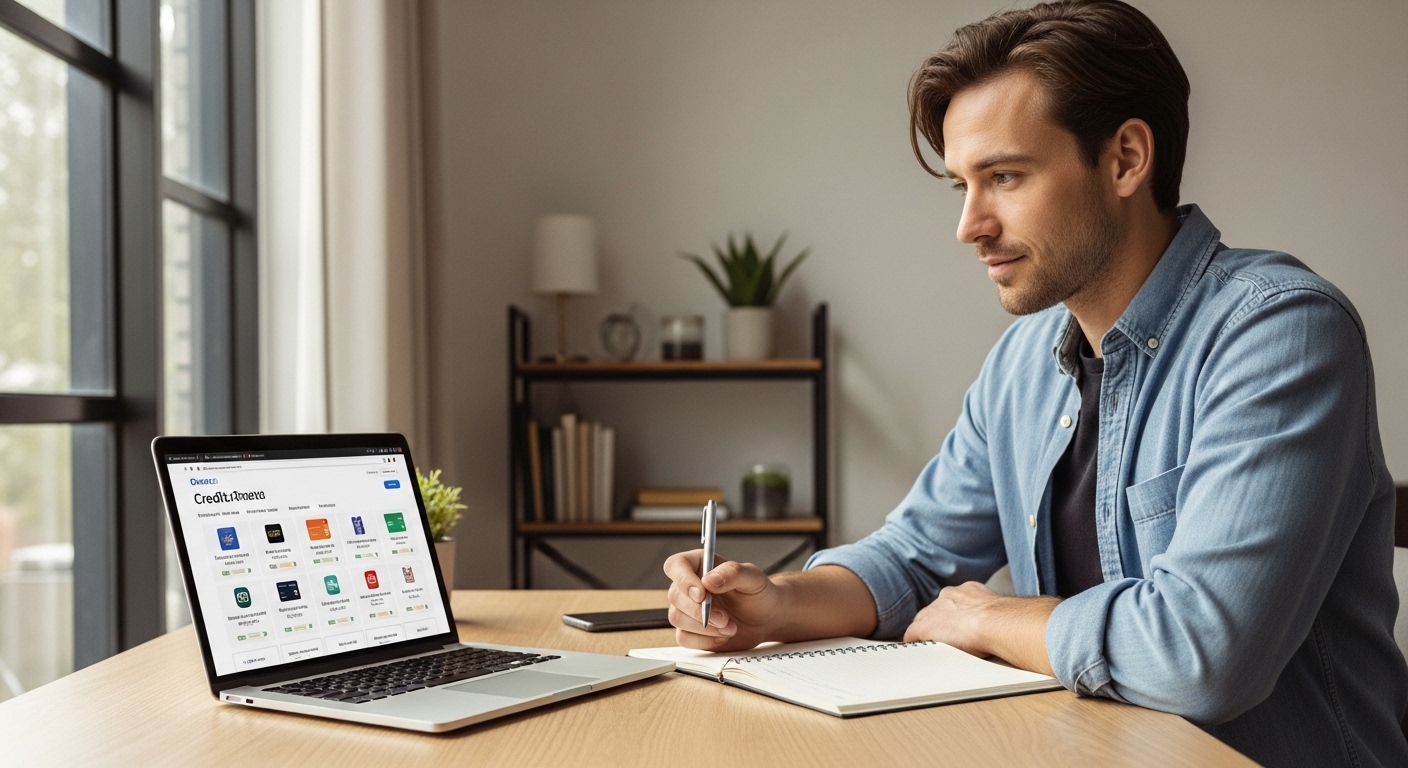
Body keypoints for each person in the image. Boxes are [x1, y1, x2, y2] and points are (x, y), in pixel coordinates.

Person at [661, 1, 1408, 764]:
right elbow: (915, 558)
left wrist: (993, 619)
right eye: (962, 185)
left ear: (1125, 158)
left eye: (1005, 177)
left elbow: (1203, 654)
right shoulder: (1023, 363)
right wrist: (777, 605)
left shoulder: (1280, 334)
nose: (969, 225)